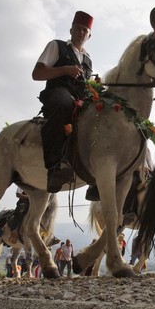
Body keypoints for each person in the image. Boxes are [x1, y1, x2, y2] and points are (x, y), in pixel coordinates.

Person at [32, 10, 94, 193]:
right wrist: (65, 70)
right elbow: (37, 74)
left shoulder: (88, 60)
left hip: (80, 99)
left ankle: (94, 175)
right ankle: (53, 168)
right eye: (78, 28)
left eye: (85, 30)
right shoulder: (56, 46)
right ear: (71, 30)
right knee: (63, 103)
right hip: (58, 92)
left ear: (89, 35)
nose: (81, 32)